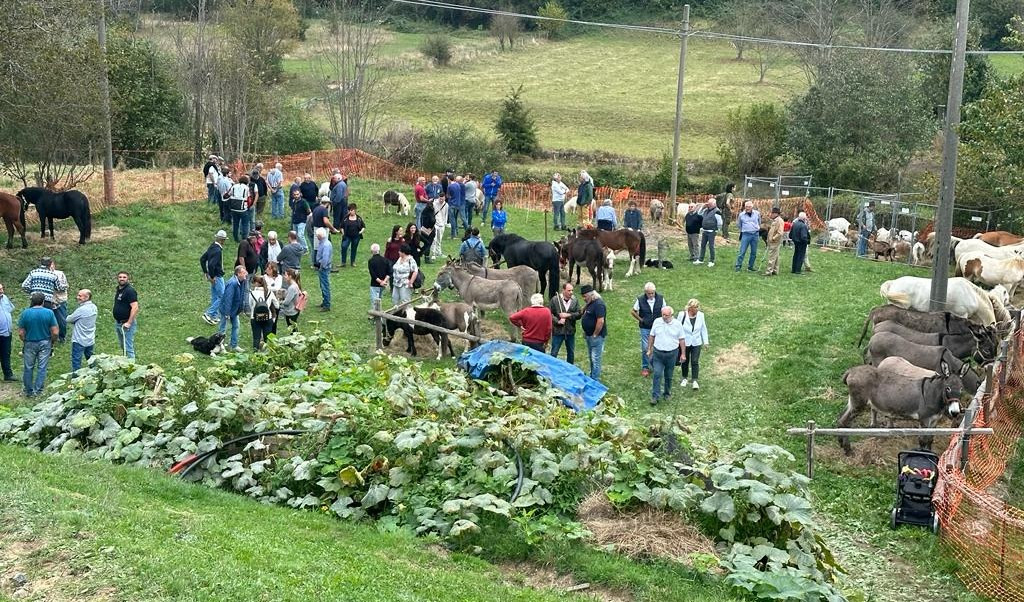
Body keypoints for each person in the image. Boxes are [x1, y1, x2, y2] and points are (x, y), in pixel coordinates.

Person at [18, 292, 57, 397]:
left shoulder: (25, 313)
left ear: (32, 301)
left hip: (30, 342)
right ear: (43, 302)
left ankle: (28, 391)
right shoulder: (49, 313)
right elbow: (55, 332)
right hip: (45, 342)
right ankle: (38, 390)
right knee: (42, 367)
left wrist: (24, 340)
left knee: (28, 367)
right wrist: (52, 341)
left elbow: (21, 332)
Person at [647, 305, 685, 405]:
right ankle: (655, 396)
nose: (665, 317)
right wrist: (649, 349)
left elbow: (681, 339)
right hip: (658, 353)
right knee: (657, 374)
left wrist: (683, 354)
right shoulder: (657, 322)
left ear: (671, 315)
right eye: (663, 315)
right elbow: (652, 335)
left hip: (672, 354)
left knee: (669, 375)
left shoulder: (677, 324)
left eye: (667, 315)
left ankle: (667, 393)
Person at [630, 282, 664, 377]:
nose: (651, 295)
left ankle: (657, 365)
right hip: (645, 328)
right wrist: (641, 320)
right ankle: (645, 367)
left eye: (652, 293)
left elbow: (664, 310)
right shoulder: (640, 300)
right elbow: (633, 311)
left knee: (657, 346)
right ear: (645, 292)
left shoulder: (660, 298)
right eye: (649, 293)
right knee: (646, 347)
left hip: (658, 327)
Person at [679, 299, 709, 390]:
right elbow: (677, 327)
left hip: (696, 342)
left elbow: (703, 329)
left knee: (695, 361)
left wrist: (706, 342)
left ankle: (695, 380)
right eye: (694, 307)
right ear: (689, 308)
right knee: (685, 360)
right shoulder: (682, 315)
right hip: (685, 342)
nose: (696, 309)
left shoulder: (701, 315)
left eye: (697, 307)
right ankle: (684, 378)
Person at [549, 282, 581, 364]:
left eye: (572, 290)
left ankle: (570, 369)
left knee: (571, 353)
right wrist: (558, 321)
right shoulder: (555, 300)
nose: (571, 292)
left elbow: (579, 314)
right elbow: (550, 313)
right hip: (558, 331)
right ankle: (551, 369)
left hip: (570, 331)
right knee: (554, 352)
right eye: (569, 290)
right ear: (563, 290)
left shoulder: (575, 300)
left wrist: (568, 315)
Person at [580, 285, 607, 381]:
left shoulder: (599, 304)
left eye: (585, 296)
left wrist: (595, 334)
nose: (583, 299)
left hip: (596, 337)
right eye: (582, 296)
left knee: (595, 359)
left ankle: (595, 380)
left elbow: (601, 321)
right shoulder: (590, 303)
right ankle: (592, 376)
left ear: (591, 295)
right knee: (591, 358)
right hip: (589, 335)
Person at [200, 229, 227, 325]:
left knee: (215, 296)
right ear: (222, 240)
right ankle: (209, 313)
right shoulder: (218, 250)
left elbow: (202, 259)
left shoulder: (212, 247)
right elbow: (211, 265)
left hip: (213, 276)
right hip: (217, 276)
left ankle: (214, 316)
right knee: (223, 296)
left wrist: (205, 273)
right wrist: (212, 276)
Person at [66, 289, 97, 371]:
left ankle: (76, 378)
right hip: (90, 338)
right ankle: (95, 374)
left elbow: (69, 319)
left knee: (76, 361)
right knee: (90, 359)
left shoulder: (82, 309)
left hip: (79, 339)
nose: (77, 297)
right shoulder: (94, 307)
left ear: (87, 297)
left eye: (80, 296)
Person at [218, 266, 247, 352]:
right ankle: (220, 346)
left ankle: (233, 345)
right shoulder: (232, 283)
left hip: (235, 310)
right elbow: (228, 299)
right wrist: (227, 313)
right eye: (244, 272)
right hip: (227, 309)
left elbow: (242, 295)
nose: (246, 274)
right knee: (223, 328)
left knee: (236, 326)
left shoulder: (243, 281)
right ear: (238, 274)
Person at [113, 271, 139, 359]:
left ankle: (132, 367)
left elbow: (135, 307)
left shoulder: (130, 291)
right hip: (118, 323)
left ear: (128, 279)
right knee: (123, 346)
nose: (122, 279)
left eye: (124, 277)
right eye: (120, 277)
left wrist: (129, 322)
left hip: (126, 324)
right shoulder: (119, 290)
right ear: (117, 279)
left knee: (128, 347)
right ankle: (125, 363)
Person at [248, 276, 278, 350]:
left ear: (257, 283)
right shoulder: (269, 292)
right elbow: (277, 305)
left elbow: (250, 305)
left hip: (255, 318)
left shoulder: (252, 293)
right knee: (267, 338)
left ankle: (255, 355)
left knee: (256, 338)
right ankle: (267, 354)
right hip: (268, 317)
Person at [734, 201, 761, 272]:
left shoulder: (757, 213)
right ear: (744, 207)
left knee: (754, 252)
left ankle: (750, 266)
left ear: (752, 207)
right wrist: (744, 229)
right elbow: (739, 225)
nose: (747, 208)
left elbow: (759, 222)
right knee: (742, 251)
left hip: (755, 234)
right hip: (746, 234)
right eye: (746, 207)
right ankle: (738, 266)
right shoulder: (741, 215)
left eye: (749, 207)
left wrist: (756, 228)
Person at [695, 199, 721, 267]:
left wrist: (717, 229)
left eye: (710, 204)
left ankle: (711, 261)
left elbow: (720, 222)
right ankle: (701, 259)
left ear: (714, 204)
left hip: (712, 231)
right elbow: (699, 214)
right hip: (705, 230)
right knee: (703, 245)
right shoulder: (706, 210)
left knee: (711, 246)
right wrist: (703, 207)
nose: (708, 205)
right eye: (708, 204)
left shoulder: (717, 211)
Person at [50, 259, 69, 344]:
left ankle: (62, 337)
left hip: (59, 300)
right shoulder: (43, 275)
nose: (50, 267)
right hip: (48, 301)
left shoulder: (60, 274)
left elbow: (65, 286)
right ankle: (50, 337)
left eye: (52, 265)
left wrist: (56, 285)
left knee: (61, 321)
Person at [0, 283, 16, 381]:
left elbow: (10, 309)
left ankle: (8, 374)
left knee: (6, 353)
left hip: (6, 332)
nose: (1, 291)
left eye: (1, 289)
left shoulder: (5, 298)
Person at [368, 243, 391, 310]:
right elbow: (389, 272)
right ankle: (379, 312)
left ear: (371, 251)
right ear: (379, 250)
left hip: (375, 284)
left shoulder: (371, 261)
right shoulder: (385, 260)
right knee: (380, 298)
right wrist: (384, 281)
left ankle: (375, 314)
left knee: (374, 300)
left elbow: (373, 274)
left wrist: (380, 281)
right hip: (383, 283)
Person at [228, 174, 251, 242]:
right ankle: (244, 238)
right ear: (247, 181)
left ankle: (236, 238)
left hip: (234, 208)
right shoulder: (246, 188)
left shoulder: (234, 186)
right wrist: (248, 207)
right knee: (245, 224)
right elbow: (249, 198)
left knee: (235, 223)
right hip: (243, 208)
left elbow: (229, 194)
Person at [314, 228, 333, 312]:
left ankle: (327, 305)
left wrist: (321, 267)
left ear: (320, 236)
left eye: (317, 235)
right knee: (323, 285)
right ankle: (325, 301)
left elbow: (325, 259)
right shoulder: (324, 243)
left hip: (324, 268)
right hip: (323, 267)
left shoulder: (325, 245)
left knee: (325, 286)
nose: (316, 236)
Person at [764, 207, 785, 276]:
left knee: (771, 257)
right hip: (773, 241)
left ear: (776, 214)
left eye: (772, 213)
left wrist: (773, 238)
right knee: (775, 257)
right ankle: (775, 270)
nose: (771, 214)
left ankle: (768, 271)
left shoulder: (779, 221)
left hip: (775, 242)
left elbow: (780, 232)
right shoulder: (775, 220)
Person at [289, 187, 311, 252]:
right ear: (293, 195)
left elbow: (309, 211)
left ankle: (305, 249)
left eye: (297, 194)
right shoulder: (293, 201)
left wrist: (307, 219)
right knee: (295, 236)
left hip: (302, 221)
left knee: (300, 235)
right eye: (295, 194)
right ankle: (298, 248)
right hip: (294, 221)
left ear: (300, 194)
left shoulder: (304, 202)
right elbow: (293, 210)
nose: (296, 196)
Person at [791, 211, 811, 275]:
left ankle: (793, 269)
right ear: (804, 219)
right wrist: (807, 241)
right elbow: (803, 236)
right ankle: (798, 270)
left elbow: (790, 235)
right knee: (801, 256)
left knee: (795, 255)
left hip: (795, 242)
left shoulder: (794, 224)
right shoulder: (803, 226)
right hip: (802, 243)